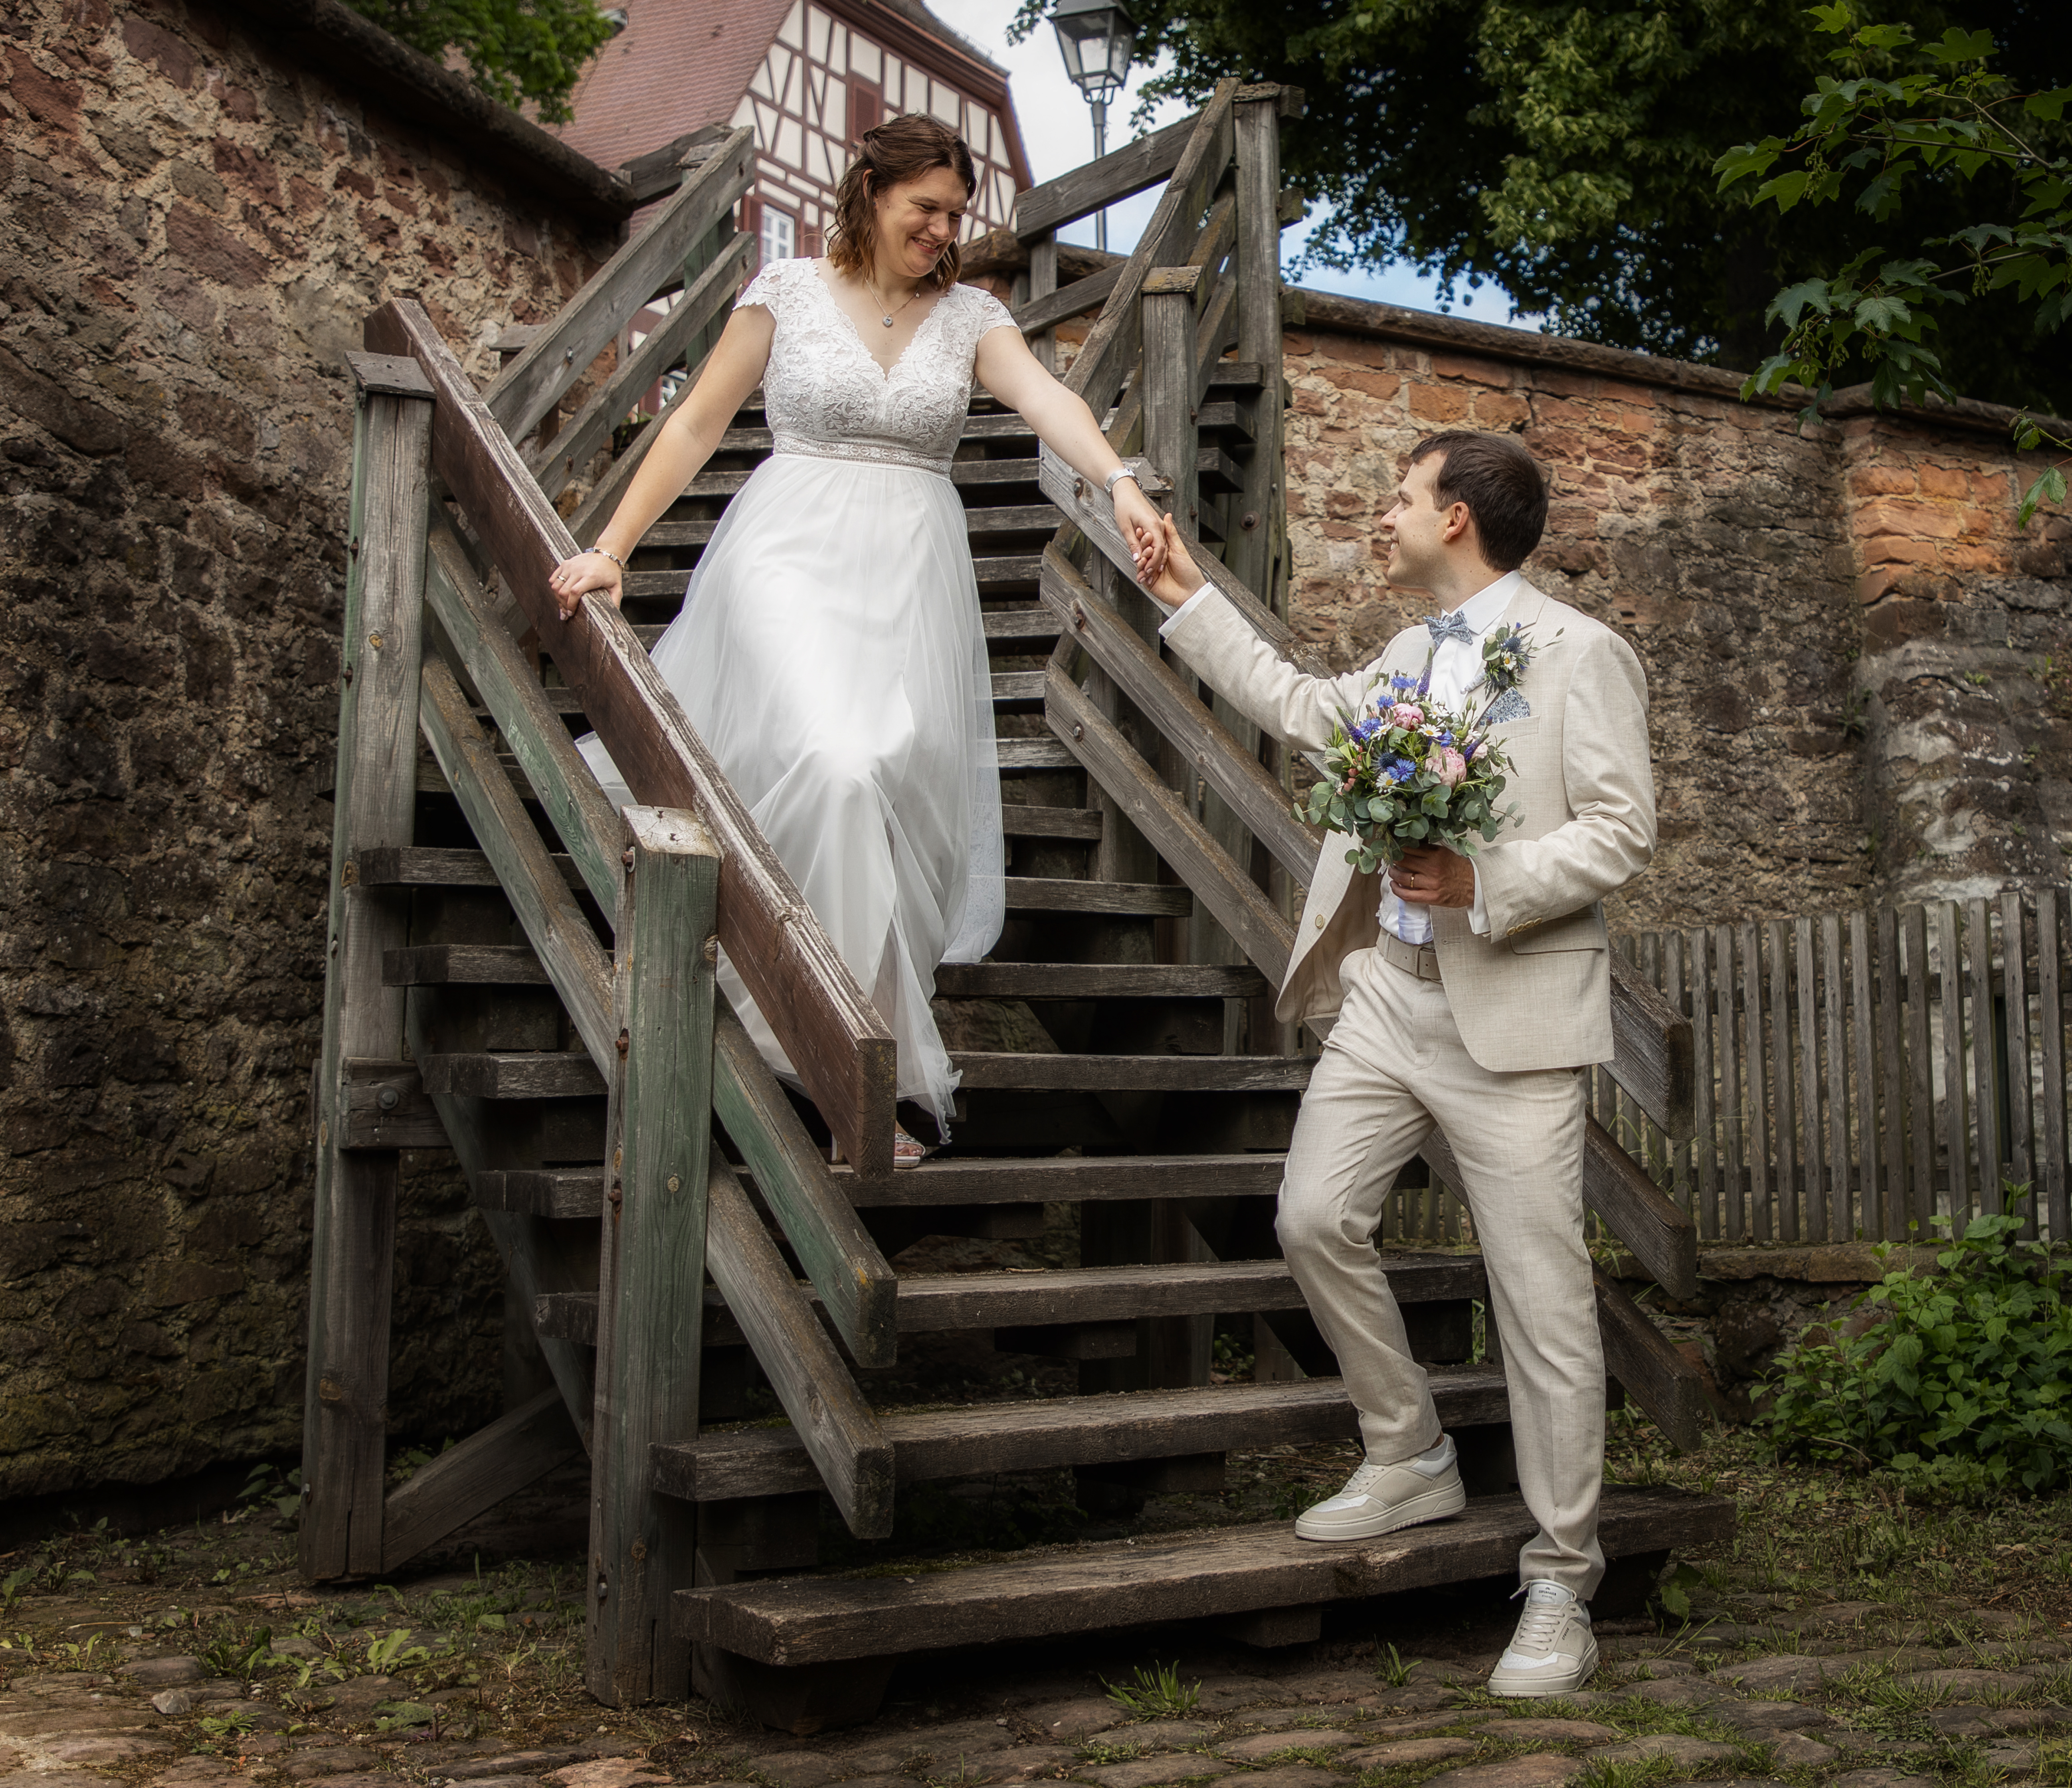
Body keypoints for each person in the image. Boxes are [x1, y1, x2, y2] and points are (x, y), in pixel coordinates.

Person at [1136, 433, 1655, 1697]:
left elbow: (1623, 829)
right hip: (1387, 998)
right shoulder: (1408, 656)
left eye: (1402, 497)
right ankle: (1407, 1450)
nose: (1382, 516)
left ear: (1460, 519)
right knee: (1313, 1217)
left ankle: (1557, 1579)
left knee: (1542, 1306)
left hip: (1515, 1023)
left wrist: (1492, 880)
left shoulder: (1583, 655)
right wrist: (1180, 593)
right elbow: (1307, 708)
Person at [547, 116, 1164, 1169]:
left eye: (956, 215)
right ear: (870, 190)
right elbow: (696, 423)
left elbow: (1045, 396)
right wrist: (612, 547)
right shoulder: (784, 291)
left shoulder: (972, 313)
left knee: (875, 784)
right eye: (925, 209)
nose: (942, 231)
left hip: (911, 577)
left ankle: (844, 1062)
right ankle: (848, 1074)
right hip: (785, 552)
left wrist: (1115, 482)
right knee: (834, 764)